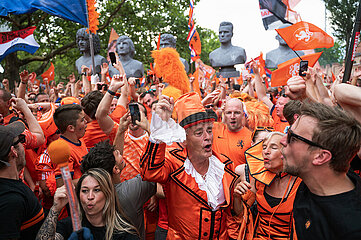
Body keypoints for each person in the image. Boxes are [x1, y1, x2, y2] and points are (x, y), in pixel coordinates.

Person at [140, 92, 241, 239]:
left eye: (209, 130)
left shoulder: (225, 165)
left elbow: (231, 214)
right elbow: (149, 172)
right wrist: (159, 130)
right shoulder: (174, 165)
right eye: (199, 133)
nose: (207, 137)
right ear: (184, 140)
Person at [280, 102, 361, 239]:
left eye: (292, 137)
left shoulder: (351, 228)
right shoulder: (310, 182)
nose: (282, 140)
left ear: (321, 156)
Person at [81, 140, 156, 240]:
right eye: (118, 154)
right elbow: (154, 170)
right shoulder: (129, 191)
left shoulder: (87, 195)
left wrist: (120, 130)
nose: (122, 154)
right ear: (116, 169)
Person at [36, 168, 139, 240]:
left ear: (108, 194)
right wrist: (55, 208)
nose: (90, 196)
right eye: (85, 191)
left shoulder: (124, 233)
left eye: (97, 190)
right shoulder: (70, 225)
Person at [235, 132, 302, 239]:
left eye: (273, 147)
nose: (266, 152)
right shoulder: (258, 179)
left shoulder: (300, 183)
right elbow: (241, 214)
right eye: (264, 147)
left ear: (286, 152)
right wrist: (236, 197)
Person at [0, 122, 44, 239]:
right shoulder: (11, 200)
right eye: (21, 140)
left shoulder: (11, 187)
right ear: (13, 152)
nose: (24, 144)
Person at [53, 104, 88, 187]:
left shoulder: (79, 139)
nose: (86, 122)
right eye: (82, 120)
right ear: (71, 128)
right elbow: (62, 185)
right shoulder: (63, 151)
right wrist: (93, 177)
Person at [212, 98, 252, 166]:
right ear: (224, 114)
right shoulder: (214, 129)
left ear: (243, 115)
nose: (232, 116)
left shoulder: (251, 138)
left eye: (237, 113)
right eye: (229, 113)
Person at [252, 62, 290, 133]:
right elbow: (262, 96)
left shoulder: (296, 122)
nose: (276, 106)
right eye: (277, 103)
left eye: (281, 104)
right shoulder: (275, 114)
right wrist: (257, 73)